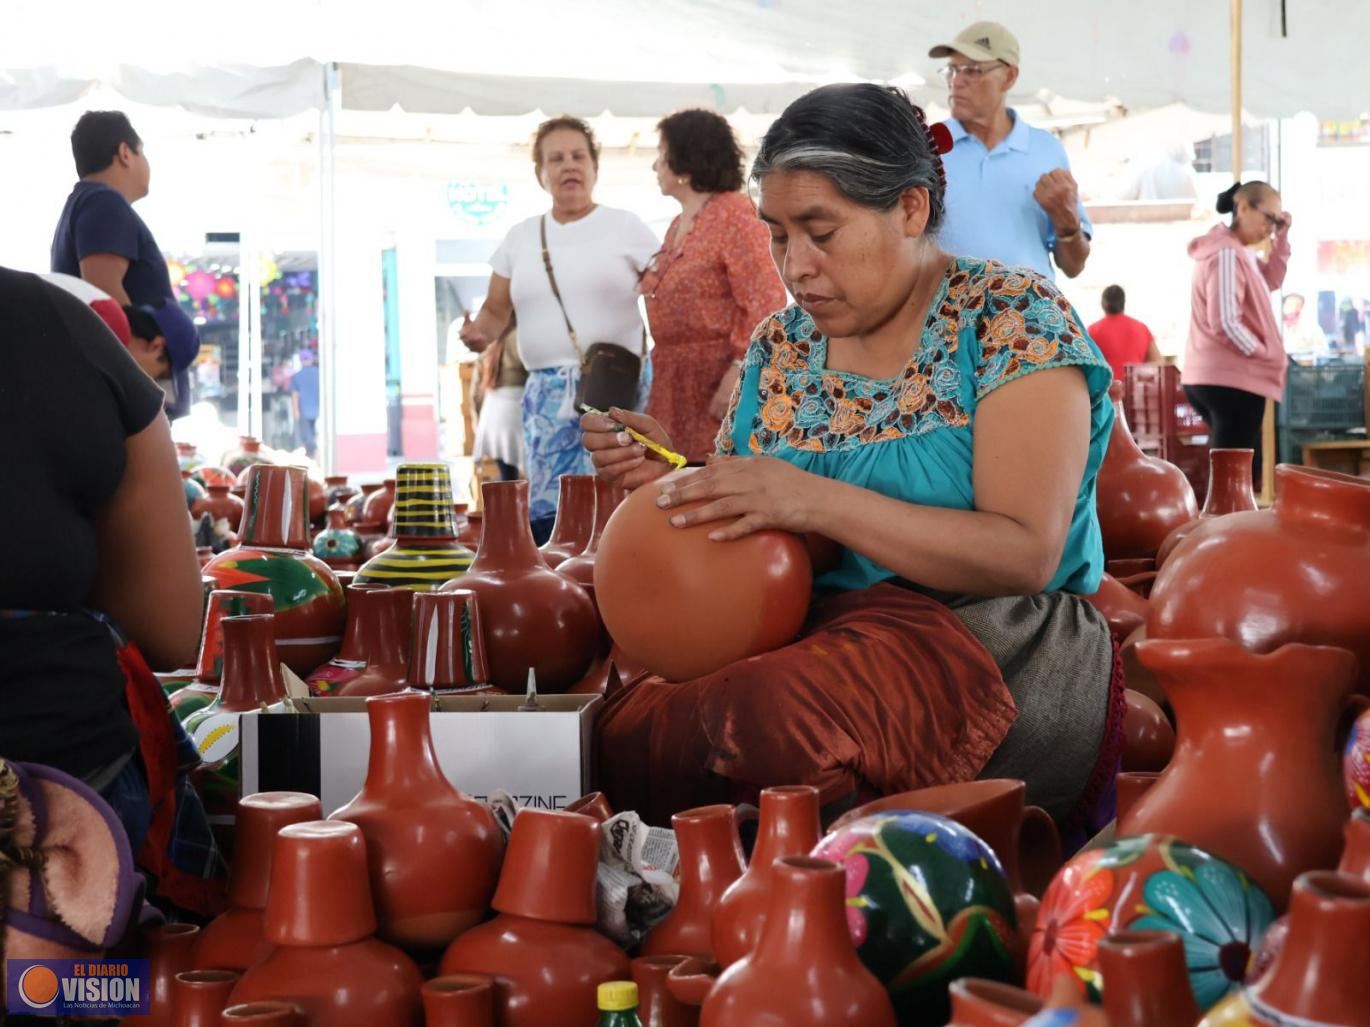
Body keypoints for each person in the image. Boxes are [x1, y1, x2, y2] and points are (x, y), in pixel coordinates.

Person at [583, 84, 1121, 847]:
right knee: (632, 723)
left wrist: (811, 499)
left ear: (908, 210)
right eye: (777, 236)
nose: (795, 266)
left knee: (774, 718)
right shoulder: (782, 346)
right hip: (814, 640)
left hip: (992, 642)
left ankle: (808, 892)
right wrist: (676, 483)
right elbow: (759, 543)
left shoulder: (1008, 316)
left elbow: (1024, 551)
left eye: (821, 232)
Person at [0, 267, 222, 912]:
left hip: (53, 796)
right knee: (97, 993)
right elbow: (169, 627)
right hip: (61, 794)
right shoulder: (54, 324)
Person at [460, 116, 659, 541]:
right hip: (546, 395)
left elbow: (668, 291)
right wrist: (477, 335)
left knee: (617, 502)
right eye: (556, 158)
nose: (569, 166)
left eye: (578, 156)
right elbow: (495, 313)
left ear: (594, 167)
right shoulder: (520, 237)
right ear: (540, 173)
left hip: (616, 390)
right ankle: (562, 594)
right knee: (553, 512)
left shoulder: (625, 226)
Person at [640, 109, 787, 462]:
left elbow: (766, 299)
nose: (655, 166)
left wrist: (739, 370)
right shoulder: (678, 223)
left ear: (685, 162)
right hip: (674, 382)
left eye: (661, 155)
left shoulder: (735, 214)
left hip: (718, 381)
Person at [51, 110, 197, 418]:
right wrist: (136, 372)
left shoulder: (90, 203)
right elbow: (103, 294)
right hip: (122, 394)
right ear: (125, 153)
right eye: (142, 152)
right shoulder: (103, 202)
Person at [930, 22, 1093, 280]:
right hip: (949, 316)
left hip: (1029, 316)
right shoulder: (928, 147)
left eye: (971, 70)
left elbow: (1073, 266)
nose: (956, 82)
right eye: (952, 70)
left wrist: (1067, 223)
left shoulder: (1047, 150)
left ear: (1009, 77)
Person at [1183, 181, 1292, 478]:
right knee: (1234, 478)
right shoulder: (1227, 254)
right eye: (1269, 218)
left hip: (1217, 376)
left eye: (1277, 221)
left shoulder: (1237, 254)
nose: (1271, 228)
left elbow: (1270, 280)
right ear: (1242, 207)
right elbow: (1226, 322)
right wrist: (1263, 354)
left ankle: (1222, 522)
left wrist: (1282, 240)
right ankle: (1224, 524)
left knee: (1231, 472)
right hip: (1233, 378)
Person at [472, 319, 528, 481]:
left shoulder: (487, 344)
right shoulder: (521, 338)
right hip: (515, 412)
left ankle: (507, 504)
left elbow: (475, 393)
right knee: (534, 477)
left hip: (491, 415)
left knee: (507, 477)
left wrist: (478, 421)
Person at [1088, 285, 1163, 382]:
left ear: (1103, 304)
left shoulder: (1092, 330)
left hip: (1107, 391)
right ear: (1123, 303)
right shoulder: (1141, 328)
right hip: (1136, 389)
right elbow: (1158, 362)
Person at [290, 349, 321, 458]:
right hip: (318, 410)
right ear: (311, 359)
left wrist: (295, 412)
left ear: (300, 360)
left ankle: (312, 456)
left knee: (307, 437)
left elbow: (295, 396)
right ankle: (315, 456)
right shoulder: (319, 373)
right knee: (313, 434)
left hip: (304, 410)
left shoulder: (296, 376)